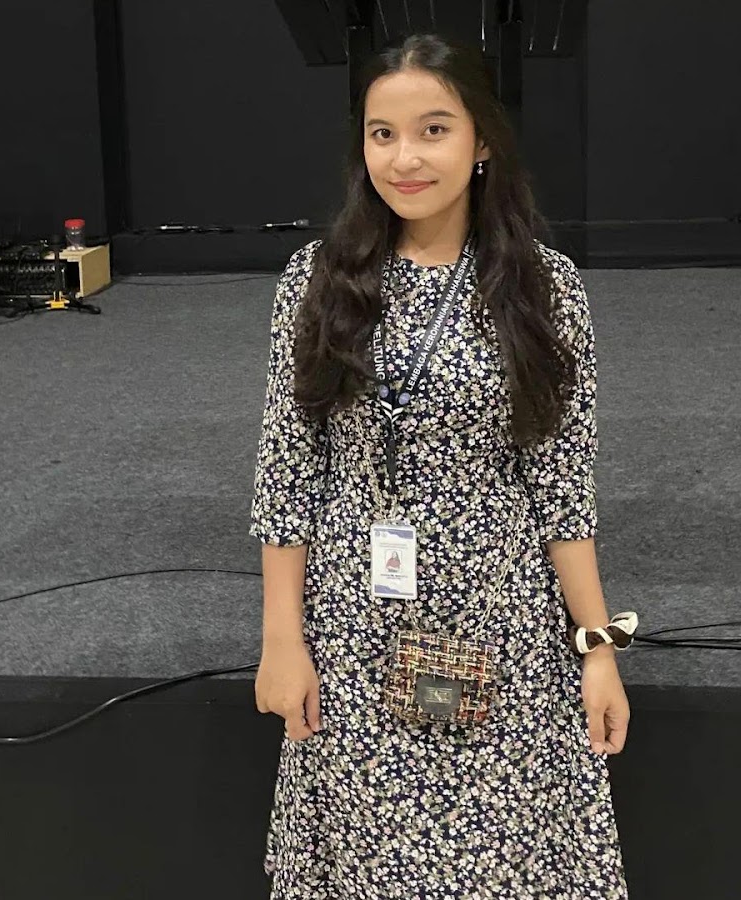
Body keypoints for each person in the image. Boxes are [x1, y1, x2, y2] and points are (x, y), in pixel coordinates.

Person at [251, 31, 630, 899]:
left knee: (506, 864)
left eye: (433, 130)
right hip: (353, 629)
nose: (405, 158)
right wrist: (281, 641)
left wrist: (598, 648)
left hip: (504, 626)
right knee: (365, 863)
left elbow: (563, 485)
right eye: (382, 134)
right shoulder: (318, 280)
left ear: (482, 139)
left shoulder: (543, 287)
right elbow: (287, 471)